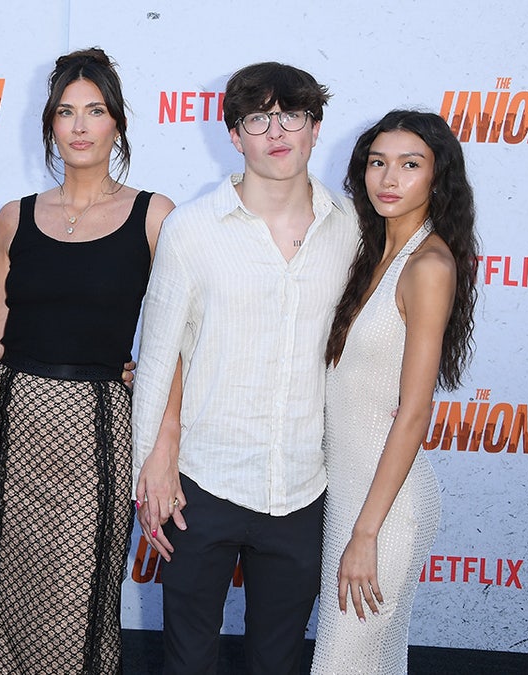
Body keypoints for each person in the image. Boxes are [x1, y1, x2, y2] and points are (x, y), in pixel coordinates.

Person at [131, 62, 358, 674]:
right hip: (203, 481)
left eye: (292, 116)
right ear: (235, 135)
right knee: (187, 658)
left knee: (279, 660)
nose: (276, 131)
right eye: (258, 118)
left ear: (315, 129)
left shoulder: (352, 231)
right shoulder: (192, 230)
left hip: (304, 484)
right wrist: (151, 465)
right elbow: (159, 354)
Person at [0, 47, 174, 674]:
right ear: (50, 126)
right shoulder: (15, 217)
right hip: (13, 426)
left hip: (98, 428)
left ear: (117, 123)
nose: (81, 125)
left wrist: (156, 391)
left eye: (95, 111)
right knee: (4, 593)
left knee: (81, 599)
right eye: (66, 112)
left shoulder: (155, 216)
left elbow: (183, 334)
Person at [311, 110, 477, 674]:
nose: (389, 178)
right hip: (351, 497)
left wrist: (366, 532)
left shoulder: (428, 265)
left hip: (386, 510)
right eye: (378, 163)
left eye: (410, 165)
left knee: (344, 664)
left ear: (438, 177)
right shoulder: (372, 254)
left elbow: (413, 413)